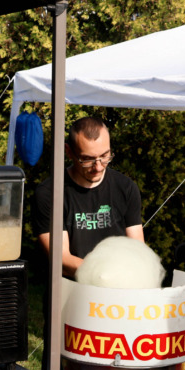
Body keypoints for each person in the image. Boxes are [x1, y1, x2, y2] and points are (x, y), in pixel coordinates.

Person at [33, 115, 144, 278]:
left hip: (119, 286)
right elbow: (61, 259)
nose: (98, 167)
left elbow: (137, 250)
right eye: (87, 159)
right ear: (69, 152)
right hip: (71, 288)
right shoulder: (50, 194)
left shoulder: (126, 188)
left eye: (105, 156)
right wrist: (104, 275)